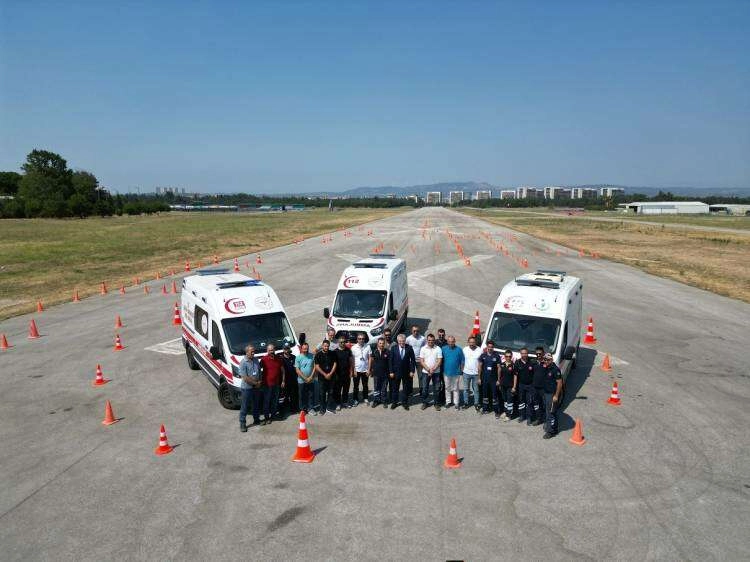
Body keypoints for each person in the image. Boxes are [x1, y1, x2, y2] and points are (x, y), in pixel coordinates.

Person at [259, 343, 285, 424]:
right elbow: (258, 371)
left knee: (275, 401)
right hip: (267, 385)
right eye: (270, 350)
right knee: (266, 401)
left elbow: (283, 371)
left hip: (276, 384)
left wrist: (283, 381)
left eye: (273, 350)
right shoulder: (263, 359)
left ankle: (273, 416)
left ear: (275, 350)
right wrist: (259, 381)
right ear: (267, 351)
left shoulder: (278, 359)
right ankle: (267, 417)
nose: (271, 351)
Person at [389, 333, 416, 410]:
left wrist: (412, 371)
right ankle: (394, 402)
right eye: (400, 341)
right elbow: (390, 361)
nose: (402, 342)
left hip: (406, 372)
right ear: (397, 341)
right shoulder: (393, 348)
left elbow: (413, 360)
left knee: (405, 389)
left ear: (405, 341)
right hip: (395, 372)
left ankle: (404, 403)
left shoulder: (409, 348)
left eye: (403, 341)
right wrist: (391, 371)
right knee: (395, 388)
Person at [238, 345, 262, 432]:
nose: (253, 353)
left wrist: (260, 381)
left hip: (256, 387)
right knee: (245, 406)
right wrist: (255, 383)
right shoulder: (243, 363)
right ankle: (242, 423)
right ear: (247, 352)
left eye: (254, 351)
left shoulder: (256, 360)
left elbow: (259, 372)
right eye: (251, 352)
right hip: (247, 388)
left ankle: (256, 419)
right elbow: (245, 378)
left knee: (256, 404)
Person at [541, 352, 563, 439]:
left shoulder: (555, 369)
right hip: (546, 393)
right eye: (545, 359)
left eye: (548, 360)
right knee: (550, 412)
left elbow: (559, 383)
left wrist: (556, 396)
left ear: (551, 360)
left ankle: (550, 432)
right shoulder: (546, 367)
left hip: (552, 394)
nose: (546, 361)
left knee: (550, 413)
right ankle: (554, 428)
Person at [419, 333, 443, 410]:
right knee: (425, 388)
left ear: (434, 340)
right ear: (427, 340)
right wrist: (429, 370)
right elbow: (421, 361)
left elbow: (439, 361)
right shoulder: (423, 348)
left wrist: (433, 370)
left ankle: (436, 403)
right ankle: (424, 403)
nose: (430, 342)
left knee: (436, 388)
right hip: (426, 372)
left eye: (432, 340)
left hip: (436, 372)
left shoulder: (438, 348)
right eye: (429, 340)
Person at [478, 340, 501, 416]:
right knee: (485, 395)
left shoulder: (496, 356)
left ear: (493, 347)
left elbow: (499, 368)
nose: (490, 348)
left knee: (494, 395)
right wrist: (479, 378)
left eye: (491, 347)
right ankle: (485, 409)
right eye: (489, 347)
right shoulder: (483, 355)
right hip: (484, 379)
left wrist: (498, 379)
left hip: (493, 379)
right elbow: (480, 367)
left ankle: (496, 411)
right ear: (487, 347)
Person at [314, 340, 337, 414]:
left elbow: (335, 364)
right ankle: (322, 408)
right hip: (322, 377)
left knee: (331, 392)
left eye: (327, 346)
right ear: (322, 346)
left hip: (331, 376)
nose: (326, 347)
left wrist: (330, 373)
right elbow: (317, 366)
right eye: (325, 346)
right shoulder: (318, 355)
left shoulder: (332, 353)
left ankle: (329, 407)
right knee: (322, 393)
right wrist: (325, 374)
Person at [514, 347, 535, 425]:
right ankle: (522, 416)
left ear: (527, 353)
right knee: (521, 401)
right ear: (520, 354)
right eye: (522, 353)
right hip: (521, 385)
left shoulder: (532, 362)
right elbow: (515, 375)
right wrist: (514, 386)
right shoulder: (517, 362)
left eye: (525, 353)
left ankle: (529, 417)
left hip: (530, 385)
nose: (524, 355)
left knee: (529, 402)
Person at [441, 336, 463, 408]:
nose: (451, 343)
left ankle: (456, 403)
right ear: (447, 342)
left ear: (455, 341)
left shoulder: (459, 349)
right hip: (446, 372)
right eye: (449, 341)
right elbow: (440, 359)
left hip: (456, 372)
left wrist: (461, 370)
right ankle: (448, 402)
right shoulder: (443, 349)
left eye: (452, 341)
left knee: (455, 388)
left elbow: (462, 361)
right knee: (447, 388)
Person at [295, 342, 316, 415]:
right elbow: (297, 370)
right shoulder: (298, 357)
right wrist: (305, 378)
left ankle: (310, 408)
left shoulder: (312, 356)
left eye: (307, 349)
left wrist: (311, 377)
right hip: (301, 380)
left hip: (311, 379)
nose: (305, 350)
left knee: (311, 394)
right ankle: (303, 409)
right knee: (302, 395)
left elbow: (314, 367)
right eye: (304, 349)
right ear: (301, 349)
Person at [462, 336, 483, 411]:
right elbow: (462, 360)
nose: (471, 344)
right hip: (466, 372)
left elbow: (481, 362)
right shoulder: (465, 349)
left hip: (476, 373)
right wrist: (462, 369)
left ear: (475, 342)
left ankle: (476, 403)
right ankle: (466, 403)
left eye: (473, 342)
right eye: (470, 342)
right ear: (468, 342)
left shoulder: (480, 350)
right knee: (466, 389)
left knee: (476, 390)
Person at [333, 337, 354, 409]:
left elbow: (351, 362)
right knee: (338, 390)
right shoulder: (335, 352)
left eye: (344, 342)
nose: (342, 343)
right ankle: (338, 403)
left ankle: (345, 402)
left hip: (346, 374)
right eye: (341, 342)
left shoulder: (348, 350)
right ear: (338, 342)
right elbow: (333, 364)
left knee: (346, 389)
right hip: (338, 374)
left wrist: (351, 371)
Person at [369, 337, 391, 408]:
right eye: (380, 343)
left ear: (384, 344)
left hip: (385, 373)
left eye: (383, 343)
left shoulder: (387, 352)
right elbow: (372, 361)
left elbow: (390, 363)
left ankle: (384, 400)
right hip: (376, 374)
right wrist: (371, 370)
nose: (381, 345)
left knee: (384, 388)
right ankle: (376, 400)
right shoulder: (374, 351)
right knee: (376, 388)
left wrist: (390, 372)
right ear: (377, 344)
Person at [351, 334, 371, 405]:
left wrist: (369, 369)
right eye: (359, 338)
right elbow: (352, 359)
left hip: (365, 370)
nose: (361, 340)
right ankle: (355, 399)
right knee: (356, 386)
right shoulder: (353, 347)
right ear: (357, 339)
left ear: (364, 339)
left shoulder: (368, 346)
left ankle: (365, 398)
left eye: (362, 339)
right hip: (357, 370)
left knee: (365, 385)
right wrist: (354, 370)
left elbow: (369, 358)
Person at [280, 342, 299, 415]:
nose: (286, 350)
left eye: (287, 348)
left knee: (294, 395)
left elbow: (297, 368)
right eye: (285, 349)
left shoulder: (294, 357)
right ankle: (283, 411)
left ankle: (294, 409)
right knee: (285, 396)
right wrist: (282, 381)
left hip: (293, 379)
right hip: (285, 380)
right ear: (283, 349)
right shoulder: (280, 358)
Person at [499, 350, 517, 421]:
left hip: (510, 386)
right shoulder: (502, 364)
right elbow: (500, 375)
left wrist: (514, 387)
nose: (508, 358)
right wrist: (499, 383)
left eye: (509, 356)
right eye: (506, 356)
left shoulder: (513, 365)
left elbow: (515, 376)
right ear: (504, 356)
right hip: (503, 385)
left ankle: (509, 415)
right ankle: (506, 412)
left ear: (511, 357)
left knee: (509, 401)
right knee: (505, 400)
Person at [531, 346, 547, 426]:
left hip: (544, 388)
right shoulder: (533, 362)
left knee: (545, 404)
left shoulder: (547, 363)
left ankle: (546, 420)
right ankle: (538, 419)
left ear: (543, 353)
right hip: (535, 388)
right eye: (536, 354)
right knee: (537, 404)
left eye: (540, 354)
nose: (538, 355)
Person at [435, 328, 448, 406]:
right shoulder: (435, 342)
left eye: (442, 335)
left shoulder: (447, 343)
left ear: (444, 335)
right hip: (436, 366)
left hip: (444, 367)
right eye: (440, 335)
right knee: (437, 384)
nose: (441, 336)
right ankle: (437, 399)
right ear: (438, 334)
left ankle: (443, 398)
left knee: (444, 384)